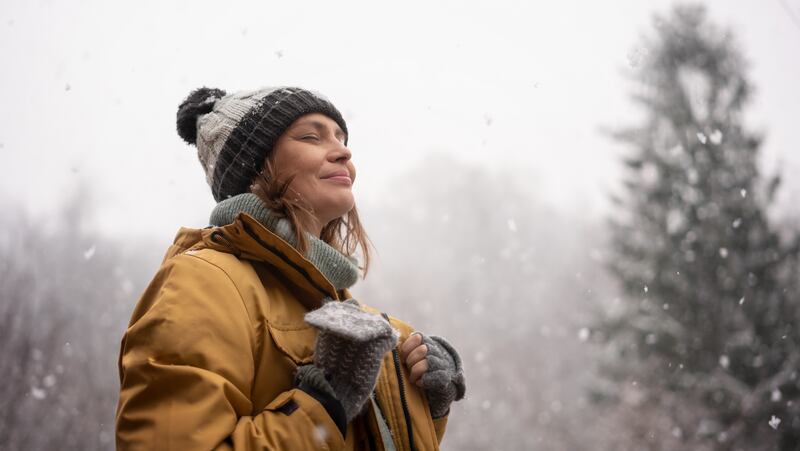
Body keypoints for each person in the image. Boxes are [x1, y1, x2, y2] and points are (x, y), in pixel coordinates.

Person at [115, 86, 466, 450]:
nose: (344, 151)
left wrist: (421, 401)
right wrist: (323, 402)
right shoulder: (203, 283)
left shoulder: (358, 317)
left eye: (342, 138)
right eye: (312, 136)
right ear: (255, 167)